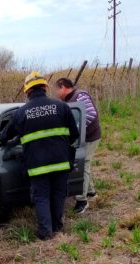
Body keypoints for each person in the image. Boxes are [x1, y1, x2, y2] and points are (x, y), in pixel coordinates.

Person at [0, 72, 79, 240]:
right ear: (45, 87)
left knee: (41, 197)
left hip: (37, 166)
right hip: (61, 162)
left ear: (27, 91)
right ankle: (57, 228)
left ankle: (46, 232)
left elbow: (4, 137)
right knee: (58, 195)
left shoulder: (21, 113)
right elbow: (74, 135)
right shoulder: (62, 107)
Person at [55, 77, 102, 214]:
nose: (56, 93)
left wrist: (76, 131)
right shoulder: (68, 100)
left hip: (90, 137)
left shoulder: (80, 95)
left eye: (57, 89)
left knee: (84, 164)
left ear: (63, 86)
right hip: (81, 138)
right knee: (84, 163)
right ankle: (91, 192)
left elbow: (91, 114)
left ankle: (82, 200)